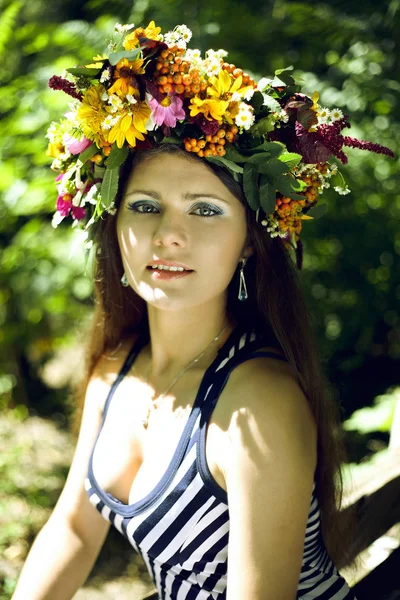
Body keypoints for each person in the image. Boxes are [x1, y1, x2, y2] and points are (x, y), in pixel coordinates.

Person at [12, 20, 394, 600]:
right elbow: (71, 529)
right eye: (145, 206)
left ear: (249, 240)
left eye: (206, 210)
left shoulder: (257, 404)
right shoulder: (113, 370)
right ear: (114, 227)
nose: (169, 235)